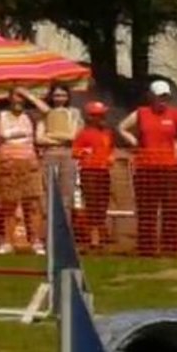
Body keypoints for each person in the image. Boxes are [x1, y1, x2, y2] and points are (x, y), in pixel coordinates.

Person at [118, 80, 177, 256]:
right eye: (159, 96)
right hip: (146, 168)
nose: (163, 100)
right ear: (151, 96)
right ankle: (146, 247)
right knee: (147, 209)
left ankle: (170, 247)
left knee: (171, 208)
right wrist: (133, 141)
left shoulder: (175, 114)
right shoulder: (141, 113)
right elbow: (121, 127)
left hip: (171, 169)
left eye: (165, 97)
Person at [0, 87, 45, 255]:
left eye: (22, 97)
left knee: (34, 204)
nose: (19, 100)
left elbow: (47, 111)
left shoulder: (32, 116)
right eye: (16, 96)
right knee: (9, 205)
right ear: (10, 98)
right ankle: (8, 241)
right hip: (9, 164)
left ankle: (36, 241)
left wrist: (28, 93)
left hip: (30, 164)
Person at [72, 101, 115, 249]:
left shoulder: (107, 133)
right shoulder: (83, 134)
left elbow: (109, 150)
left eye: (103, 114)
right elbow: (75, 152)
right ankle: (94, 238)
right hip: (89, 171)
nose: (103, 117)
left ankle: (100, 234)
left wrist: (110, 157)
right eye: (99, 115)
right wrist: (85, 152)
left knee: (102, 203)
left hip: (104, 171)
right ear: (90, 117)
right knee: (92, 203)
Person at [35, 83, 82, 211]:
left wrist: (51, 134)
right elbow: (39, 138)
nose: (60, 98)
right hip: (50, 154)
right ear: (51, 97)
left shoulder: (74, 112)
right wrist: (61, 138)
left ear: (68, 97)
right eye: (56, 95)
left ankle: (64, 225)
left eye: (63, 95)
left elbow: (73, 136)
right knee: (49, 189)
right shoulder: (45, 114)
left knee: (67, 192)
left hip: (68, 154)